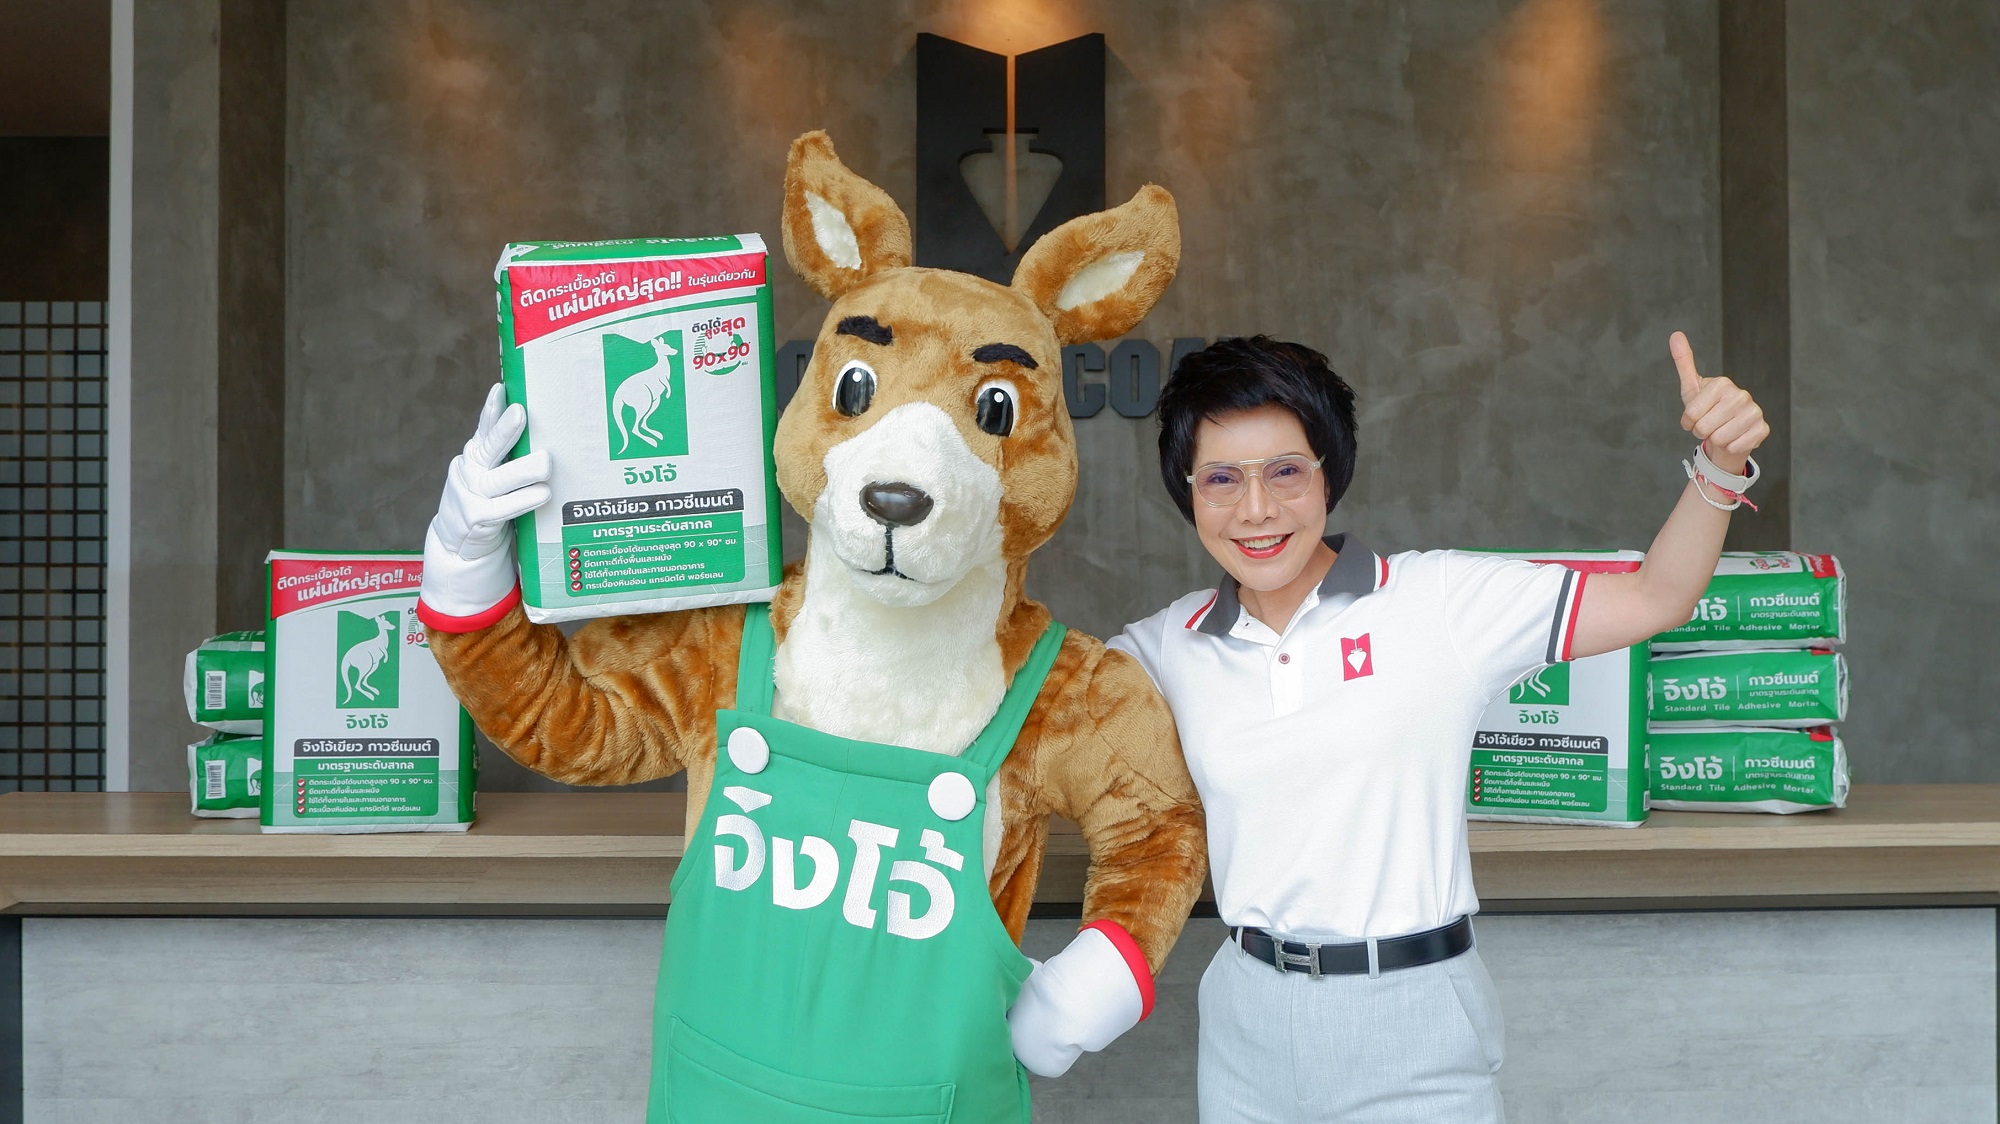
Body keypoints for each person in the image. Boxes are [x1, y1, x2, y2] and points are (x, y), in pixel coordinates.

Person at [1107, 333, 1769, 1122]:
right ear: (1187, 492)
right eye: (1221, 479)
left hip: (1413, 1018)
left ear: (1329, 473)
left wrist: (1720, 465)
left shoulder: (1440, 602)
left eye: (1285, 471)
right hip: (1245, 1022)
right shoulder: (1165, 647)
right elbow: (1034, 713)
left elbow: (1657, 596)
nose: (1256, 509)